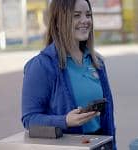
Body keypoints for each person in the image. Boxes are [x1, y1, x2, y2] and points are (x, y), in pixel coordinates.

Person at [21, 0, 116, 148]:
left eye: (88, 15)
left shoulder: (97, 62)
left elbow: (108, 119)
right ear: (59, 21)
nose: (85, 21)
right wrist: (65, 121)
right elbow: (29, 119)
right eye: (76, 15)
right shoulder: (41, 66)